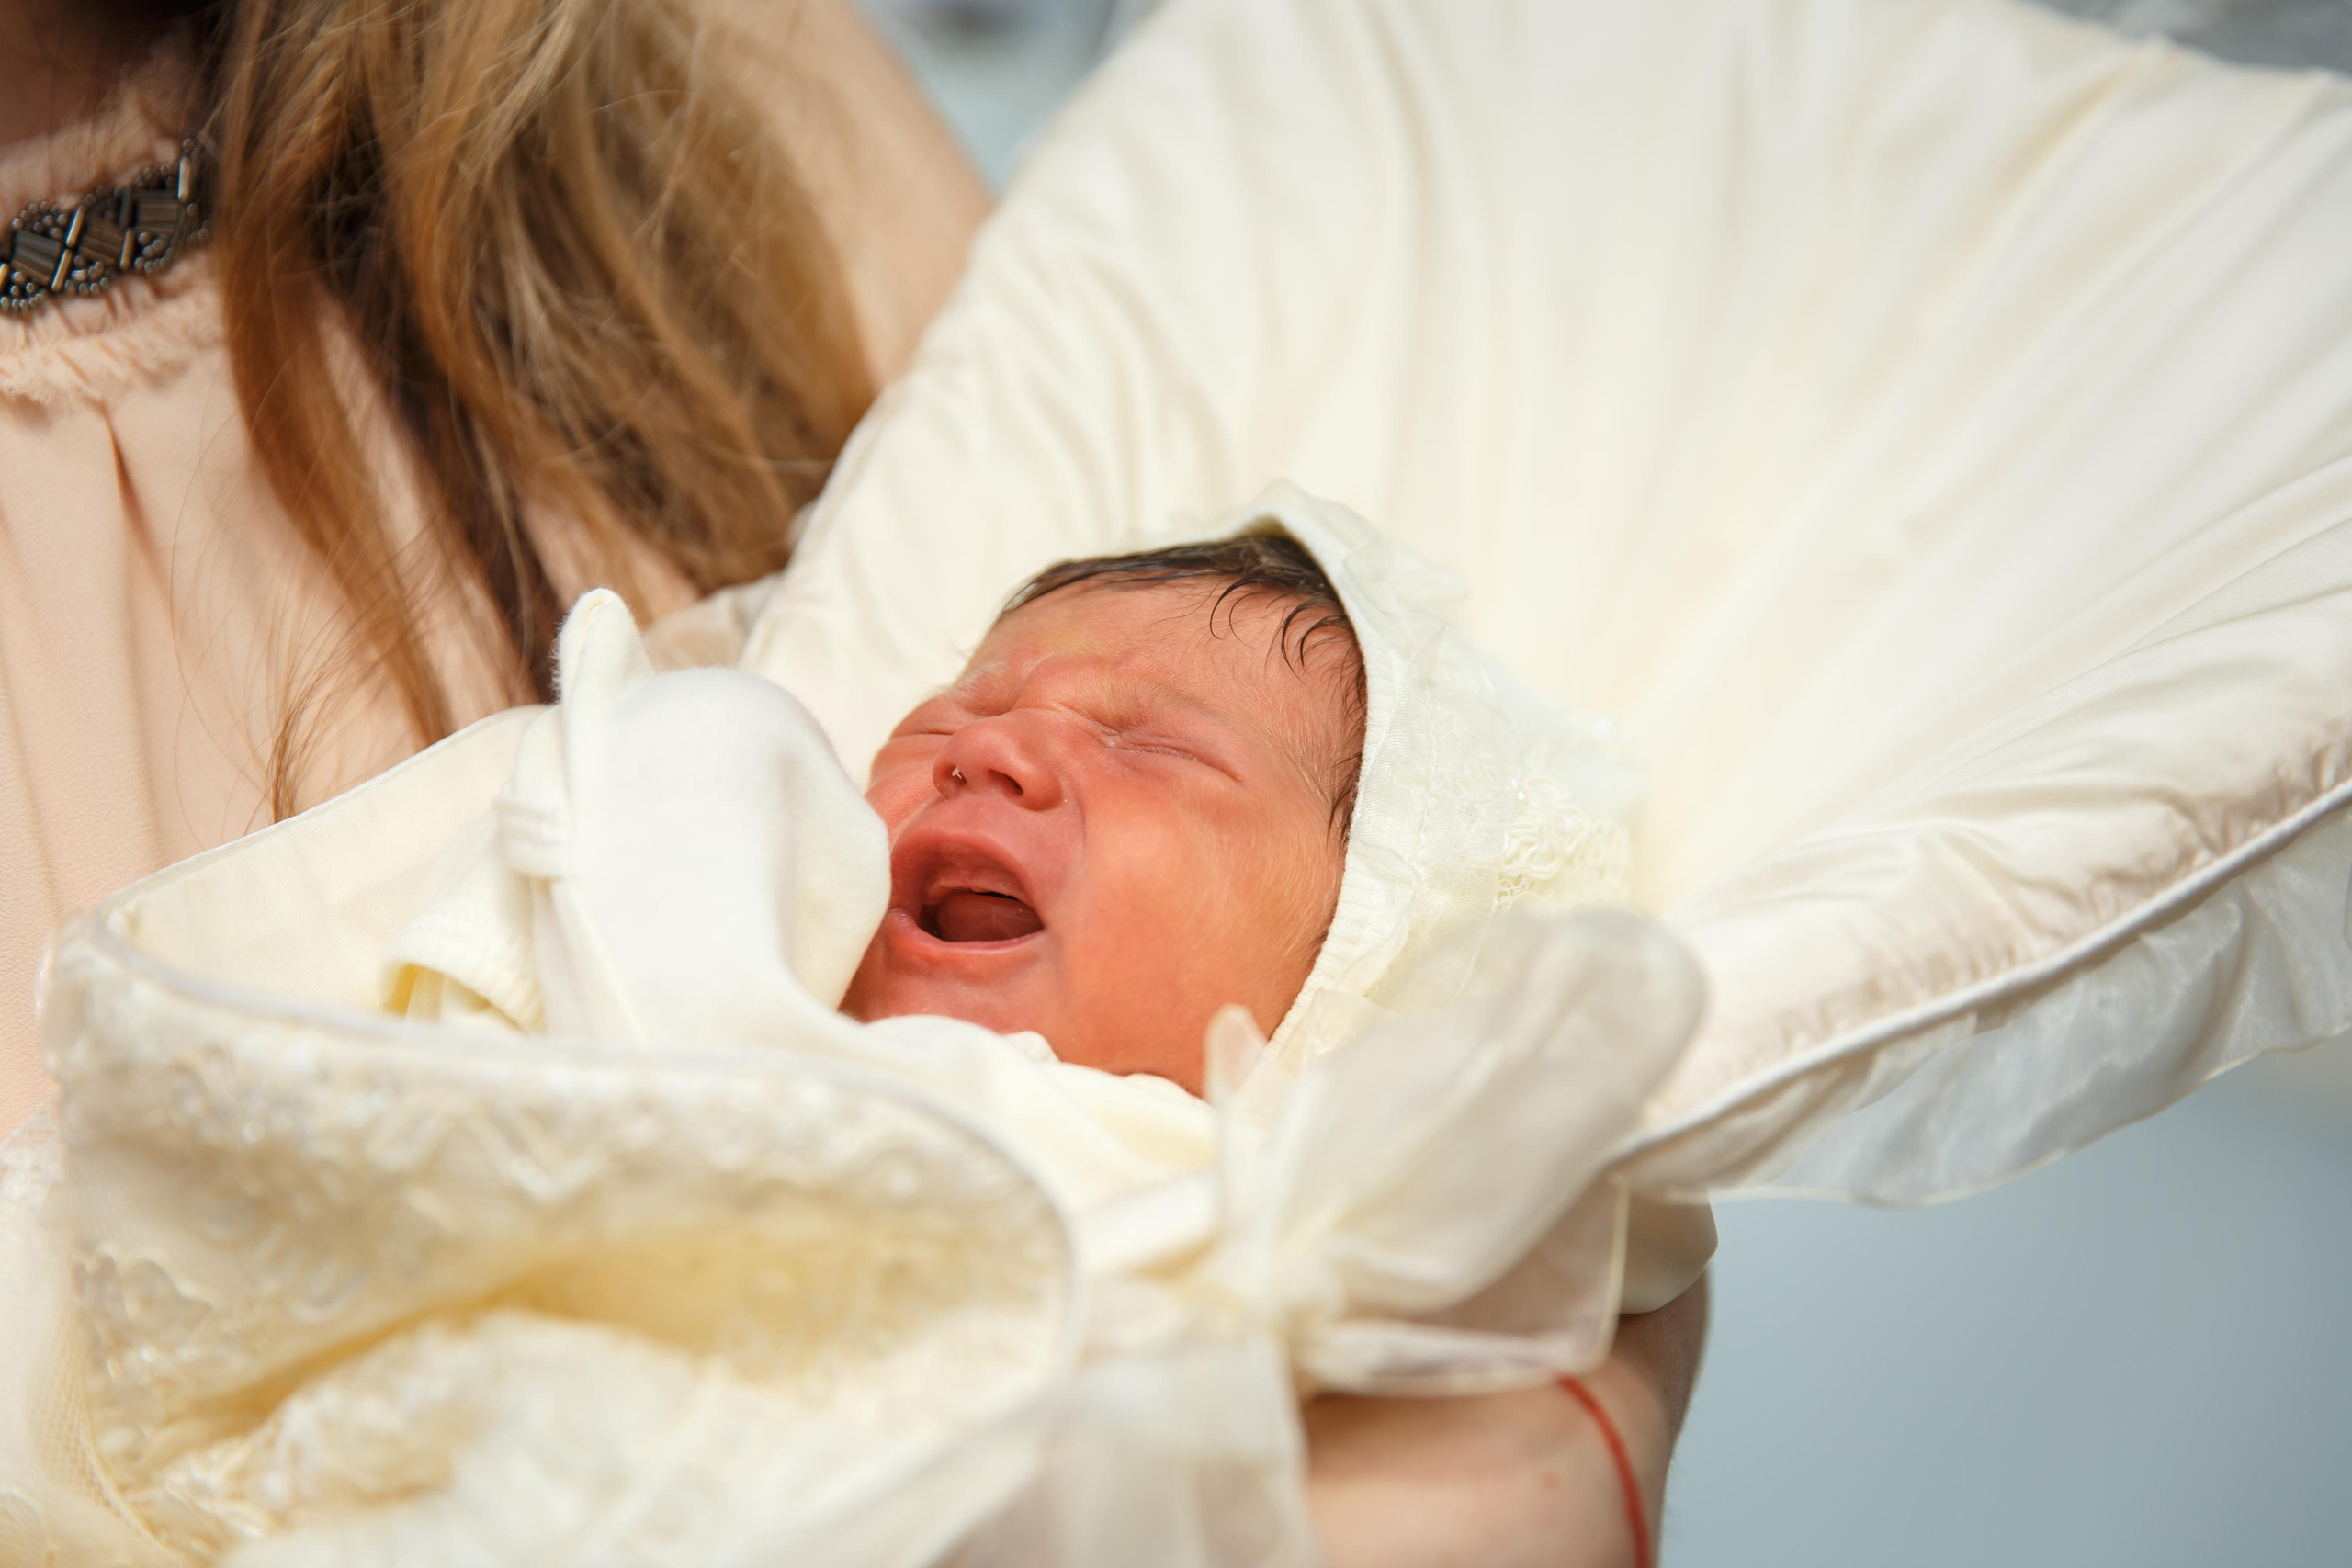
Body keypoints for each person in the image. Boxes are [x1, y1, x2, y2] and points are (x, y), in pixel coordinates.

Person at [0, 3, 1703, 1560]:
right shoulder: (737, 920)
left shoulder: (1261, 1201)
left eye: (1146, 744)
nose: (996, 745)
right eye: (957, 709)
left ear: (1350, 962)